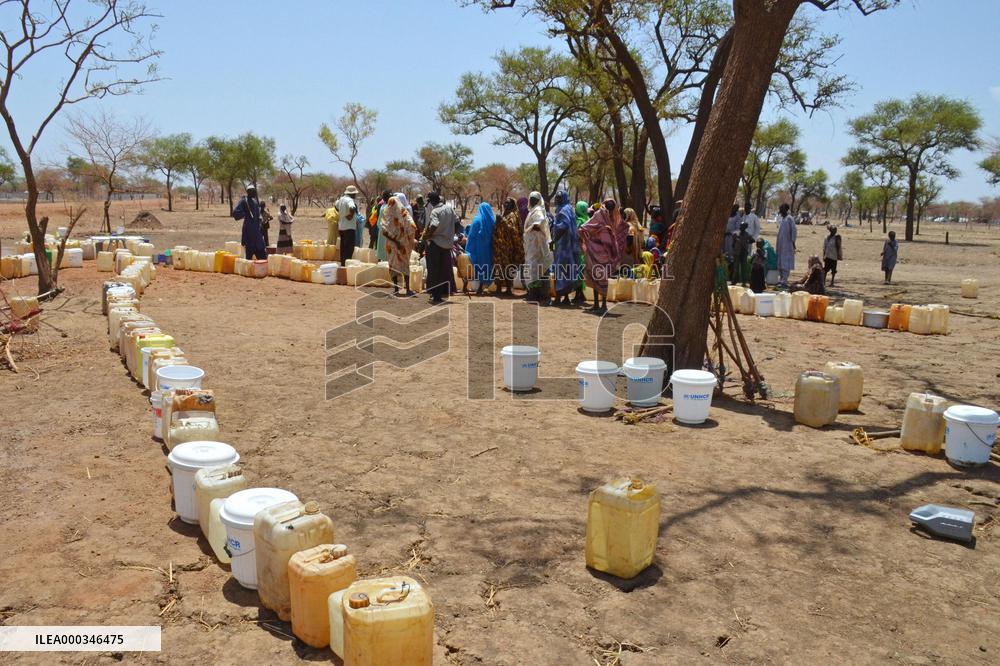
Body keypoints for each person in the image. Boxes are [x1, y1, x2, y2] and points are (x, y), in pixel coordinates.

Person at [579, 198, 628, 315]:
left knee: (598, 277)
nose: (610, 210)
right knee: (599, 278)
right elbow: (586, 227)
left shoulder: (604, 215)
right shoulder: (610, 216)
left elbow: (585, 227)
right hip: (603, 252)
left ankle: (601, 305)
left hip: (599, 252)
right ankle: (599, 305)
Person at [420, 191, 459, 304]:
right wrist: (451, 234)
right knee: (443, 270)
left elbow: (434, 224)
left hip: (436, 245)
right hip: (447, 245)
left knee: (434, 270)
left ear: (432, 201)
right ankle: (440, 294)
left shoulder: (435, 211)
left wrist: (427, 236)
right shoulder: (449, 209)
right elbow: (457, 222)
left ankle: (436, 296)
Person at [381, 194, 416, 296]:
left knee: (393, 265)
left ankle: (396, 288)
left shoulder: (386, 214)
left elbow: (384, 231)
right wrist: (407, 239)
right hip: (402, 244)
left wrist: (394, 241)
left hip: (391, 244)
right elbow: (412, 226)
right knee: (405, 264)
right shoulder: (404, 214)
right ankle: (408, 289)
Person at [550, 191, 581, 306]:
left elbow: (564, 225)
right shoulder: (569, 208)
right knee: (567, 270)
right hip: (569, 246)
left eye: (559, 198)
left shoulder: (563, 210)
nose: (557, 200)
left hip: (563, 246)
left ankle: (558, 298)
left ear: (563, 198)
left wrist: (554, 239)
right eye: (556, 198)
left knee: (560, 270)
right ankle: (566, 298)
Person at [522, 191, 552, 306]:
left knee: (536, 268)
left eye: (535, 199)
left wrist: (532, 227)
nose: (532, 200)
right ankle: (535, 293)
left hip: (538, 245)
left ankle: (537, 295)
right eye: (531, 198)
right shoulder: (533, 210)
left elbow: (539, 222)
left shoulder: (538, 210)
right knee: (534, 268)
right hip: (533, 244)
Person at [492, 198, 524, 296]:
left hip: (509, 248)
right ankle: (498, 288)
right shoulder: (505, 214)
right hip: (501, 247)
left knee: (508, 267)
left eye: (508, 203)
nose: (505, 205)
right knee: (499, 267)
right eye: (505, 203)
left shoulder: (513, 215)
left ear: (512, 205)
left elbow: (513, 230)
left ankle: (509, 289)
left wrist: (502, 221)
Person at [465, 201, 496, 295]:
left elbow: (471, 234)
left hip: (478, 247)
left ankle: (478, 287)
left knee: (478, 265)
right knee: (487, 265)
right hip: (489, 248)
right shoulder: (492, 220)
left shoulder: (477, 219)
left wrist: (468, 246)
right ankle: (483, 285)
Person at [232, 185, 266, 260]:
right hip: (249, 231)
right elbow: (235, 213)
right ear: (248, 192)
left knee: (262, 255)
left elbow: (258, 215)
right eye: (253, 191)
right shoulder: (244, 201)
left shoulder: (255, 201)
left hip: (257, 232)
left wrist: (260, 225)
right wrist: (245, 213)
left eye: (255, 191)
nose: (255, 193)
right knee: (249, 256)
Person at [335, 185, 362, 263]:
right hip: (349, 227)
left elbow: (336, 206)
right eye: (354, 194)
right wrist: (350, 216)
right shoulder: (350, 200)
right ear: (352, 194)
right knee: (349, 248)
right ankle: (347, 263)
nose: (355, 195)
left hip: (341, 227)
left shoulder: (341, 199)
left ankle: (343, 263)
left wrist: (342, 213)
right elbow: (352, 208)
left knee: (343, 247)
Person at [776, 202, 797, 288]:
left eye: (781, 209)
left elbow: (794, 231)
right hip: (781, 244)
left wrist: (793, 242)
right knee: (780, 261)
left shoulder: (789, 219)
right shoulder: (782, 219)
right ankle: (781, 279)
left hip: (787, 244)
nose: (780, 210)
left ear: (785, 209)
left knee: (785, 262)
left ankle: (784, 281)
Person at [731, 221, 753, 287]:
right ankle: (734, 281)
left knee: (744, 268)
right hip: (737, 253)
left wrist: (747, 243)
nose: (741, 227)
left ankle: (744, 282)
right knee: (736, 267)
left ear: (745, 227)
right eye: (740, 226)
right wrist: (735, 249)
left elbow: (752, 240)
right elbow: (733, 243)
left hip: (744, 253)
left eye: (742, 226)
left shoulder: (747, 235)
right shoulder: (735, 234)